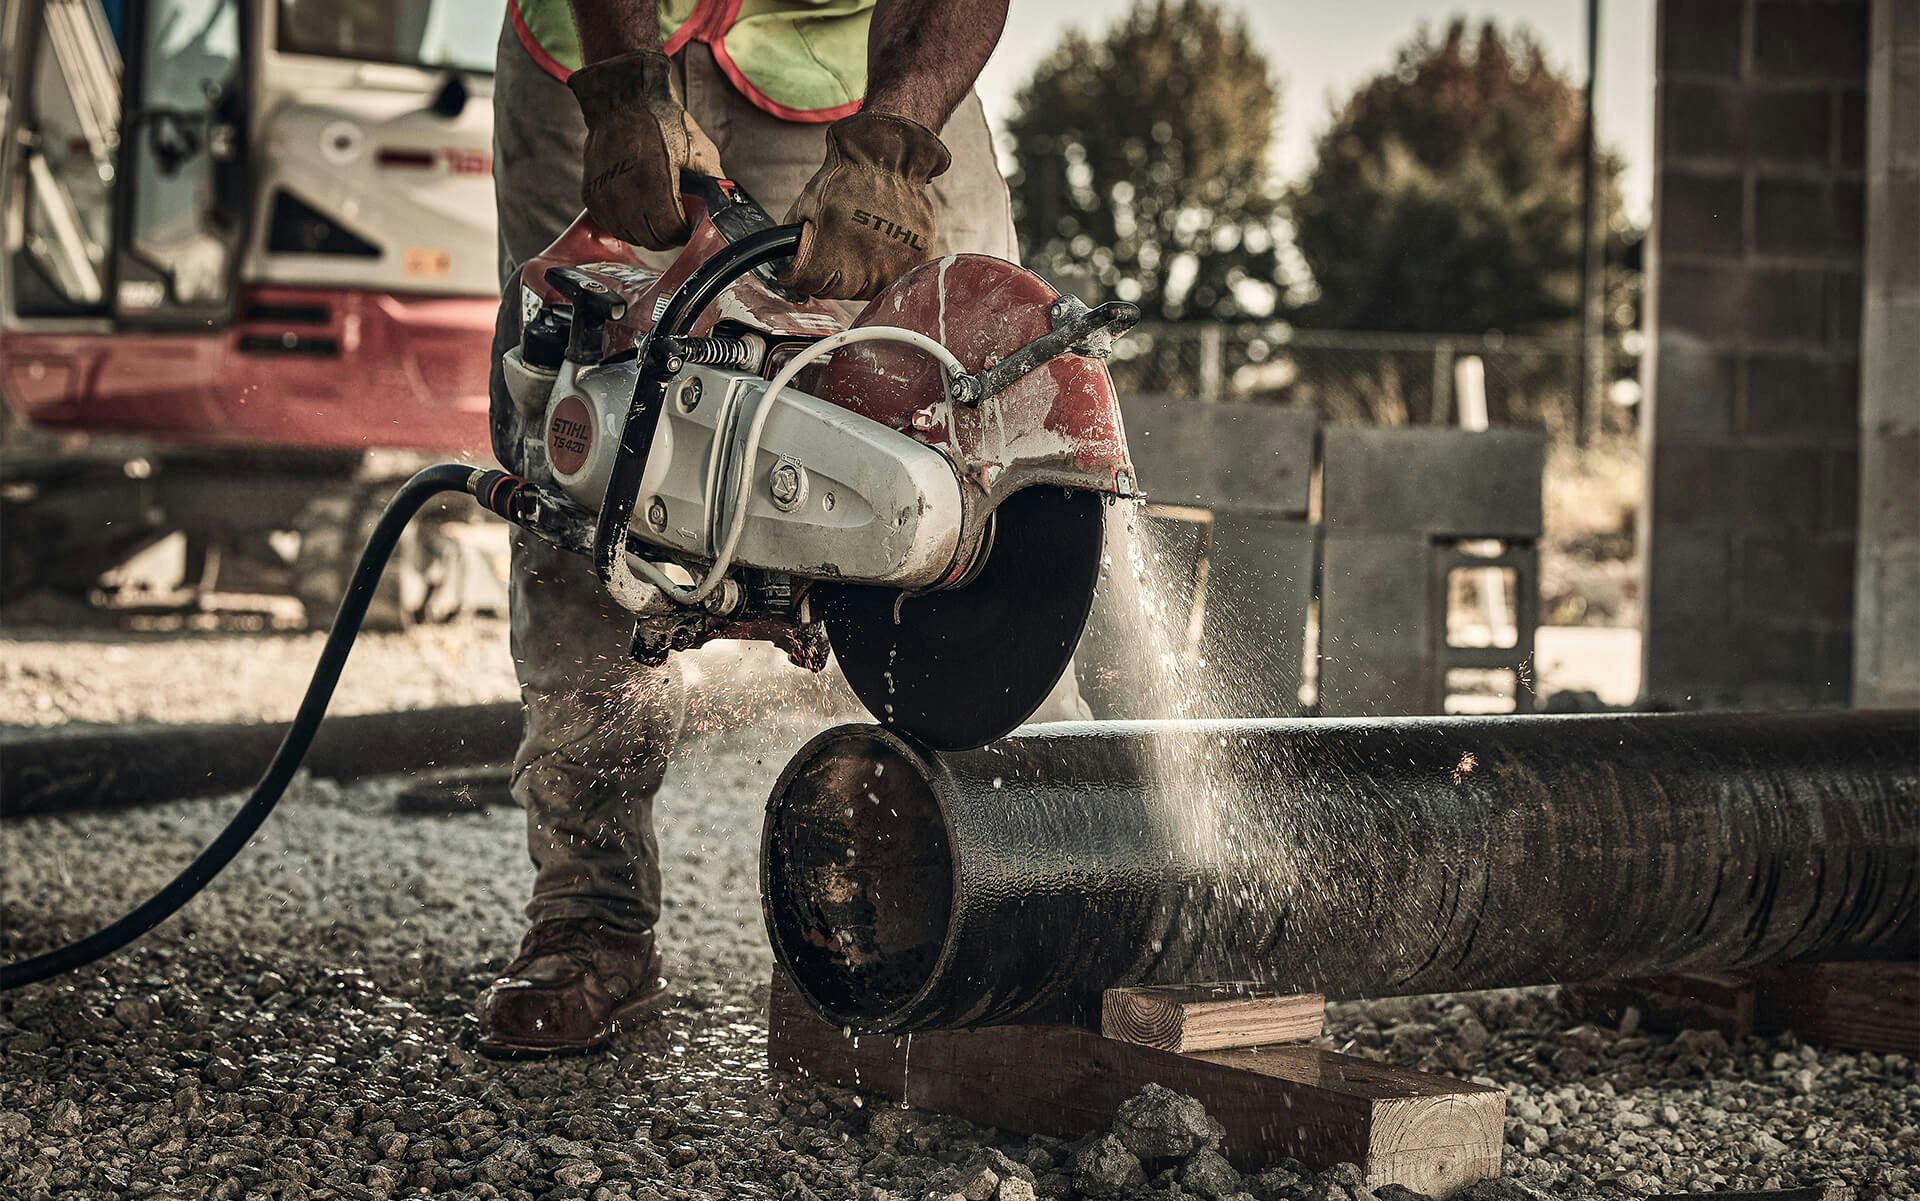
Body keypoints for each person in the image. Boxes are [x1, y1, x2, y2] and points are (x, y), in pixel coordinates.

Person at [479, 0, 1086, 1057]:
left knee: (984, 417)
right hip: (593, 43)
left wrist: (898, 139)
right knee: (589, 432)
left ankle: (1035, 880)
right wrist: (624, 79)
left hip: (860, 55)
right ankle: (592, 913)